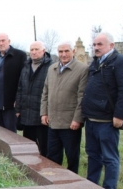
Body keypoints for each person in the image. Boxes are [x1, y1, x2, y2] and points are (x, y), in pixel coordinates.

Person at [81, 32, 123, 189]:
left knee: (109, 157)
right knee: (92, 154)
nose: (96, 48)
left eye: (100, 44)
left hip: (107, 120)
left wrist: (119, 115)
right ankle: (91, 186)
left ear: (111, 45)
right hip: (91, 118)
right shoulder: (95, 63)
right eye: (94, 45)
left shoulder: (120, 61)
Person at [41, 41, 88, 173]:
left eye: (66, 51)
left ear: (73, 51)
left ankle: (72, 183)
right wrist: (44, 113)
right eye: (61, 52)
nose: (64, 54)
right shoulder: (52, 68)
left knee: (72, 155)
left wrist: (77, 119)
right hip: (52, 121)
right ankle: (55, 179)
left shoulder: (82, 69)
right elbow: (45, 92)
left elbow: (81, 97)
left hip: (70, 123)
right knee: (52, 155)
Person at [15, 41, 52, 156]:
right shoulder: (26, 67)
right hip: (27, 112)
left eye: (37, 49)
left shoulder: (51, 67)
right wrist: (18, 109)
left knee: (44, 145)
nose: (34, 52)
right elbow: (20, 88)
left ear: (43, 51)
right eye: (32, 50)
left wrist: (47, 112)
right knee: (28, 145)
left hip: (41, 113)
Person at [0, 33, 27, 132]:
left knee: (10, 133)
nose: (1, 43)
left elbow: (23, 79)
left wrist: (19, 100)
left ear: (9, 41)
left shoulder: (20, 56)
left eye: (3, 41)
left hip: (10, 103)